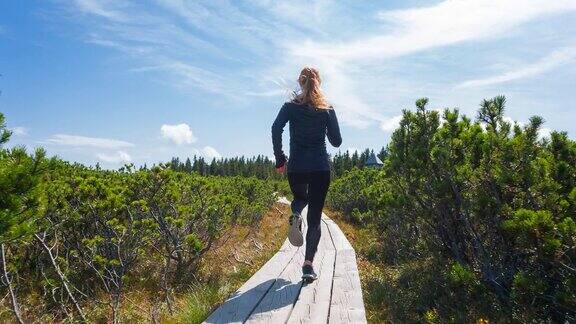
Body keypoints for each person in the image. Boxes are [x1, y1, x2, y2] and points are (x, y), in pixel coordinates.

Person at [271, 66, 342, 282]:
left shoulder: (290, 107)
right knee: (316, 219)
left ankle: (296, 215)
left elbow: (276, 128)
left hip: (297, 167)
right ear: (318, 82)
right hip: (320, 168)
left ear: (300, 82)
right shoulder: (326, 108)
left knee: (300, 199)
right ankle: (308, 266)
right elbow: (336, 142)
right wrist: (325, 124)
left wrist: (280, 159)